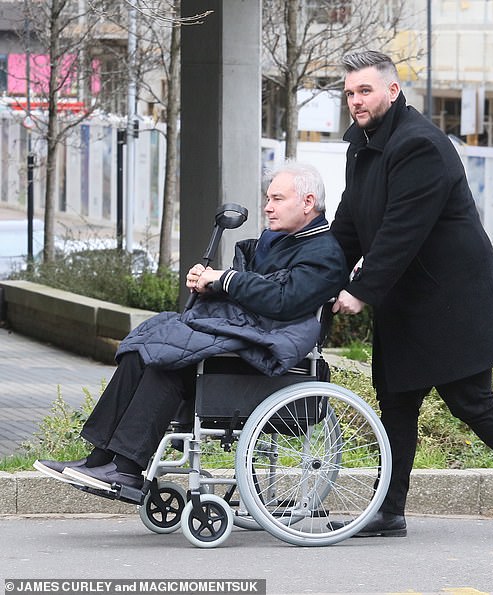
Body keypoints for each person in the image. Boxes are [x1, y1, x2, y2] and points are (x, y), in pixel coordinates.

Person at [329, 50, 493, 540]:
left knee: (470, 400)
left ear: (392, 91)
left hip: (452, 299)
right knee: (396, 400)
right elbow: (350, 223)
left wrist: (360, 290)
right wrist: (316, 272)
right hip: (408, 296)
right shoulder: (364, 145)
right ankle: (389, 509)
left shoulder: (420, 145)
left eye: (365, 91)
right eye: (350, 92)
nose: (355, 101)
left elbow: (402, 230)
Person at [34, 161, 349, 496]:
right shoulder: (279, 241)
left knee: (168, 361)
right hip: (245, 334)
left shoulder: (323, 252)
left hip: (266, 351)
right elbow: (250, 290)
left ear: (307, 202)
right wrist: (208, 284)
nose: (268, 207)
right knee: (140, 348)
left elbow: (283, 301)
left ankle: (126, 468)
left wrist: (225, 280)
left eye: (277, 199)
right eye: (268, 198)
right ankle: (100, 457)